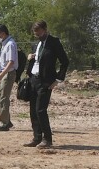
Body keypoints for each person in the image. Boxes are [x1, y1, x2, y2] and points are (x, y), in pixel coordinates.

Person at [24, 20, 68, 148]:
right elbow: (37, 60)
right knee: (33, 110)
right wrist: (30, 58)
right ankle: (37, 137)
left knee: (40, 110)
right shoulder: (37, 44)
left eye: (38, 30)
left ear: (44, 29)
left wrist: (58, 80)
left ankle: (47, 139)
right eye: (34, 31)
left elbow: (65, 61)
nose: (36, 33)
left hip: (46, 82)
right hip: (34, 79)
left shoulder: (54, 42)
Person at [0, 24, 17, 131]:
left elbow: (11, 62)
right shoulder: (4, 44)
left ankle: (5, 123)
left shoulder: (10, 44)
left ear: (3, 33)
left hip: (8, 74)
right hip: (2, 73)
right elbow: (0, 63)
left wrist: (1, 75)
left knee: (3, 97)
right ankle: (7, 120)